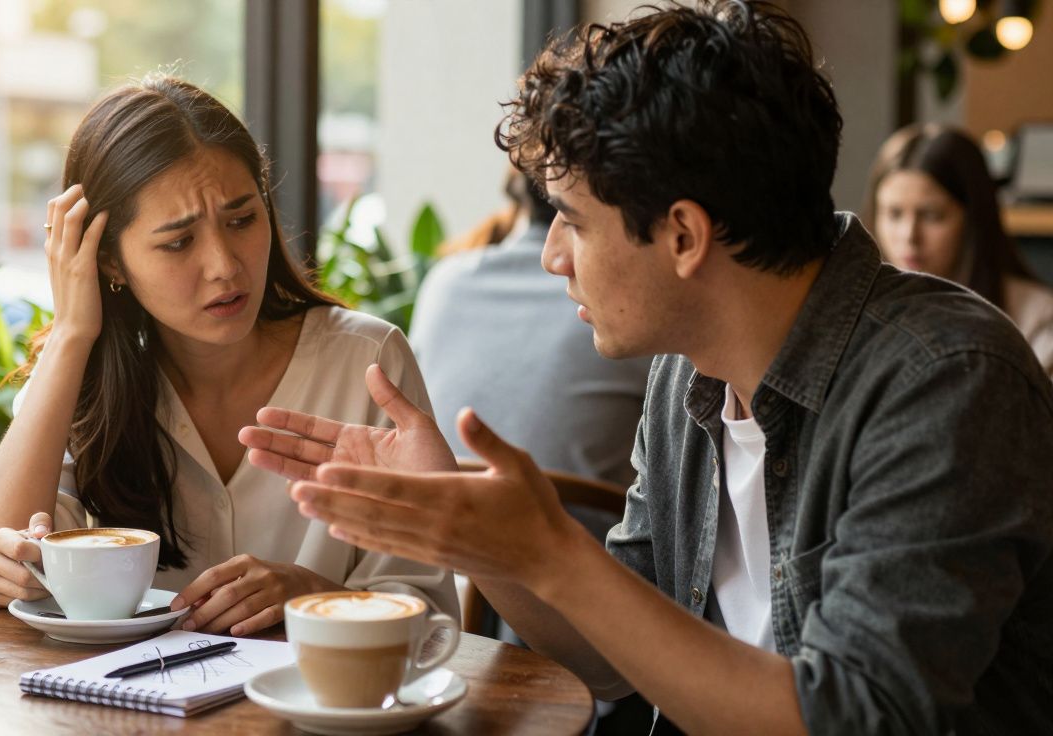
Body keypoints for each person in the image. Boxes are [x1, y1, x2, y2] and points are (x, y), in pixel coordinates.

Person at [238, 2, 1053, 734]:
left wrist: (552, 552)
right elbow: (612, 664)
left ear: (684, 236)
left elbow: (853, 717)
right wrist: (479, 534)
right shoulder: (688, 375)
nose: (552, 257)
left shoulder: (947, 380)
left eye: (572, 221)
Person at [0, 75, 457, 637]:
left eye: (242, 220)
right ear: (109, 261)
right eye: (178, 242)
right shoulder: (81, 380)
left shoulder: (366, 363)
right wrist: (70, 332)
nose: (224, 265)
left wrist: (313, 598)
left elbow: (433, 618)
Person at [409, 168, 652, 531]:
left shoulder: (444, 282)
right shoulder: (624, 308)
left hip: (441, 549)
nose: (553, 260)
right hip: (587, 554)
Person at [867, 123, 1053, 376]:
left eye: (931, 215)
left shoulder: (1038, 320)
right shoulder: (856, 314)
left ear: (973, 219)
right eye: (894, 214)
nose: (909, 236)